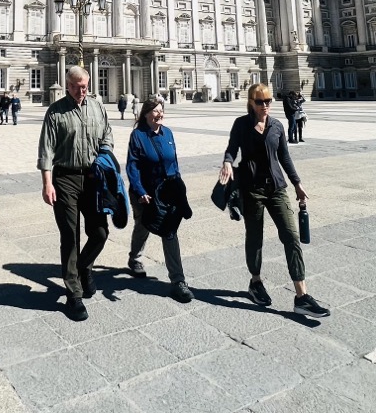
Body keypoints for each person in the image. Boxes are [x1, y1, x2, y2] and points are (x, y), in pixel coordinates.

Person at [218, 83, 330, 319]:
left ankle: (302, 296)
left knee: (291, 236)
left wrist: (297, 183)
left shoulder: (277, 125)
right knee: (255, 237)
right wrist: (228, 162)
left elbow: (284, 157)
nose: (266, 105)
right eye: (260, 102)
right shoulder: (242, 124)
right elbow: (231, 149)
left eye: (268, 101)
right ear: (251, 102)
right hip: (252, 189)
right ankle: (255, 282)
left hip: (277, 188)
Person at [38, 66, 113, 321]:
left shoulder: (97, 107)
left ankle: (84, 267)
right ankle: (73, 294)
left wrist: (105, 157)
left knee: (101, 233)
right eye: (78, 87)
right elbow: (46, 150)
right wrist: (47, 183)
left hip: (93, 177)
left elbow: (107, 136)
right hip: (65, 178)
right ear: (67, 85)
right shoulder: (55, 112)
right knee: (70, 234)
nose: (83, 91)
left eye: (86, 86)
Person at [125, 98, 193, 303]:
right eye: (155, 111)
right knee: (142, 227)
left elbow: (174, 162)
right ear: (145, 114)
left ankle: (178, 281)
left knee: (169, 232)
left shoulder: (168, 133)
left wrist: (179, 189)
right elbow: (133, 166)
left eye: (161, 110)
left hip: (167, 193)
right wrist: (139, 190)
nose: (159, 114)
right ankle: (135, 257)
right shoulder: (138, 135)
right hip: (145, 193)